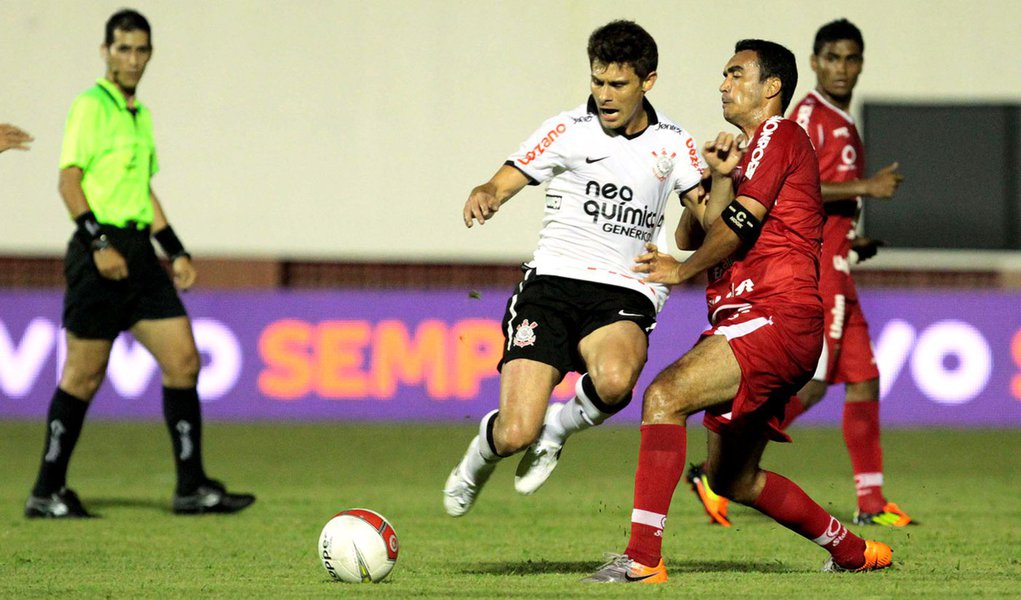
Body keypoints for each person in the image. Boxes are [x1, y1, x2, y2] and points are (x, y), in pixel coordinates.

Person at [583, 39, 892, 584]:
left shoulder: (781, 133)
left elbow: (739, 226)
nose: (723, 84)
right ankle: (853, 551)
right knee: (733, 480)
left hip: (776, 313)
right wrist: (721, 175)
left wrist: (681, 270)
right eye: (723, 75)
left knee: (664, 396)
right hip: (760, 321)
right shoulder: (746, 151)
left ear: (771, 87)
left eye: (735, 74)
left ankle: (642, 560)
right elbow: (692, 226)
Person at [442, 20, 705, 518]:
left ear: (648, 81)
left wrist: (725, 178)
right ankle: (478, 460)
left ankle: (557, 431)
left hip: (623, 289)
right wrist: (487, 193)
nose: (604, 95)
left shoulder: (674, 143)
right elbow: (505, 180)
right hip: (552, 286)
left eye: (618, 84)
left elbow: (709, 216)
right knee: (515, 431)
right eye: (597, 81)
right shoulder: (566, 128)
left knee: (615, 382)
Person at [24, 9, 254, 518]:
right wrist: (98, 243)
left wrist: (176, 250)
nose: (132, 58)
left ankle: (191, 487)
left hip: (140, 257)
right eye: (123, 48)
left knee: (185, 362)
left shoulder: (139, 114)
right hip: (98, 255)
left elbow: (142, 192)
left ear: (149, 54)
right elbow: (69, 181)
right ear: (105, 51)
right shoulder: (90, 107)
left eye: (141, 49)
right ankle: (46, 490)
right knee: (83, 377)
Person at [687, 19, 910, 530]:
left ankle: (872, 501)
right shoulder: (803, 118)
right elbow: (800, 178)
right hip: (811, 276)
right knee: (811, 381)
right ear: (812, 64)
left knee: (865, 381)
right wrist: (866, 188)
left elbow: (800, 197)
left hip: (839, 262)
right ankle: (720, 469)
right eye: (832, 57)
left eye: (851, 58)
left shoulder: (839, 120)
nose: (842, 68)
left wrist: (850, 239)